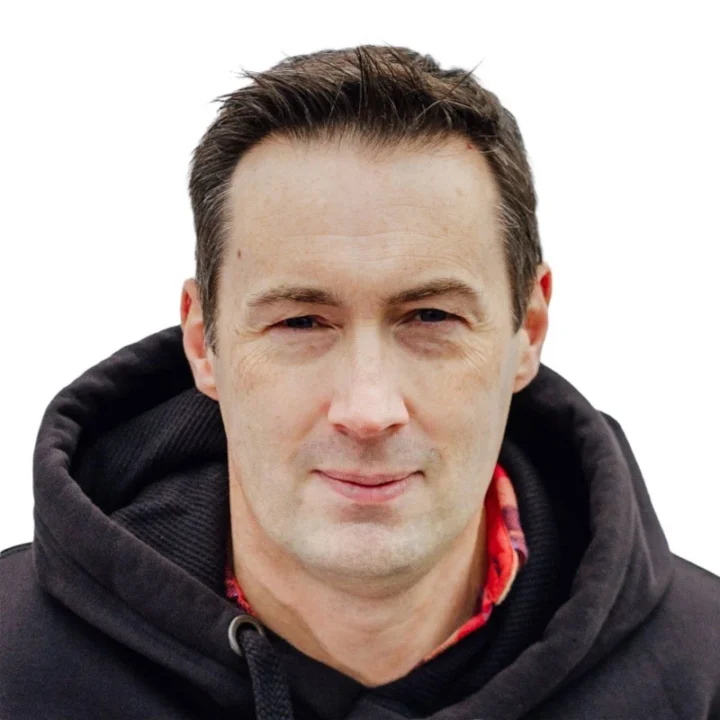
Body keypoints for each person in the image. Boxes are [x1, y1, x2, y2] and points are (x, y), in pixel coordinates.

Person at [1, 44, 719, 720]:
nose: (368, 410)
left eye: (430, 316)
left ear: (527, 329)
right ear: (202, 342)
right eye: (301, 323)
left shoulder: (704, 671)